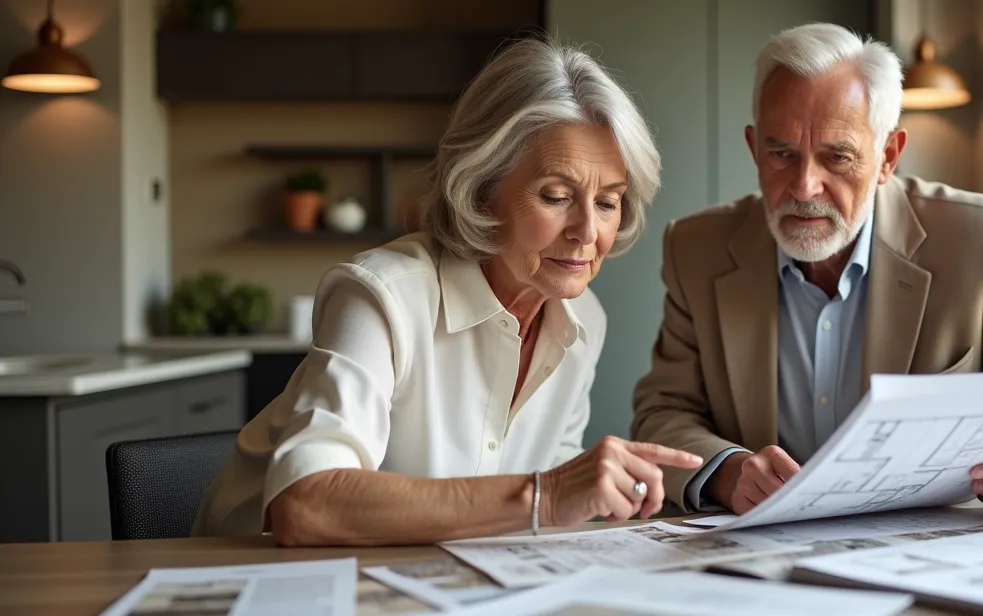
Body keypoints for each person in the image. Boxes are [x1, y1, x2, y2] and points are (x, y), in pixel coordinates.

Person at [631, 23, 983, 523]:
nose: (805, 186)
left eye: (837, 157)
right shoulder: (697, 249)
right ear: (753, 148)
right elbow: (662, 415)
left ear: (887, 156)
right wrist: (727, 472)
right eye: (781, 153)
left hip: (930, 561)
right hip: (759, 562)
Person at [192, 38, 702, 545]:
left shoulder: (584, 318)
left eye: (609, 203)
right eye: (556, 197)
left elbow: (539, 523)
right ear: (482, 190)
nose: (588, 231)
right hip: (251, 584)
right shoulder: (381, 296)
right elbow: (305, 505)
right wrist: (547, 495)